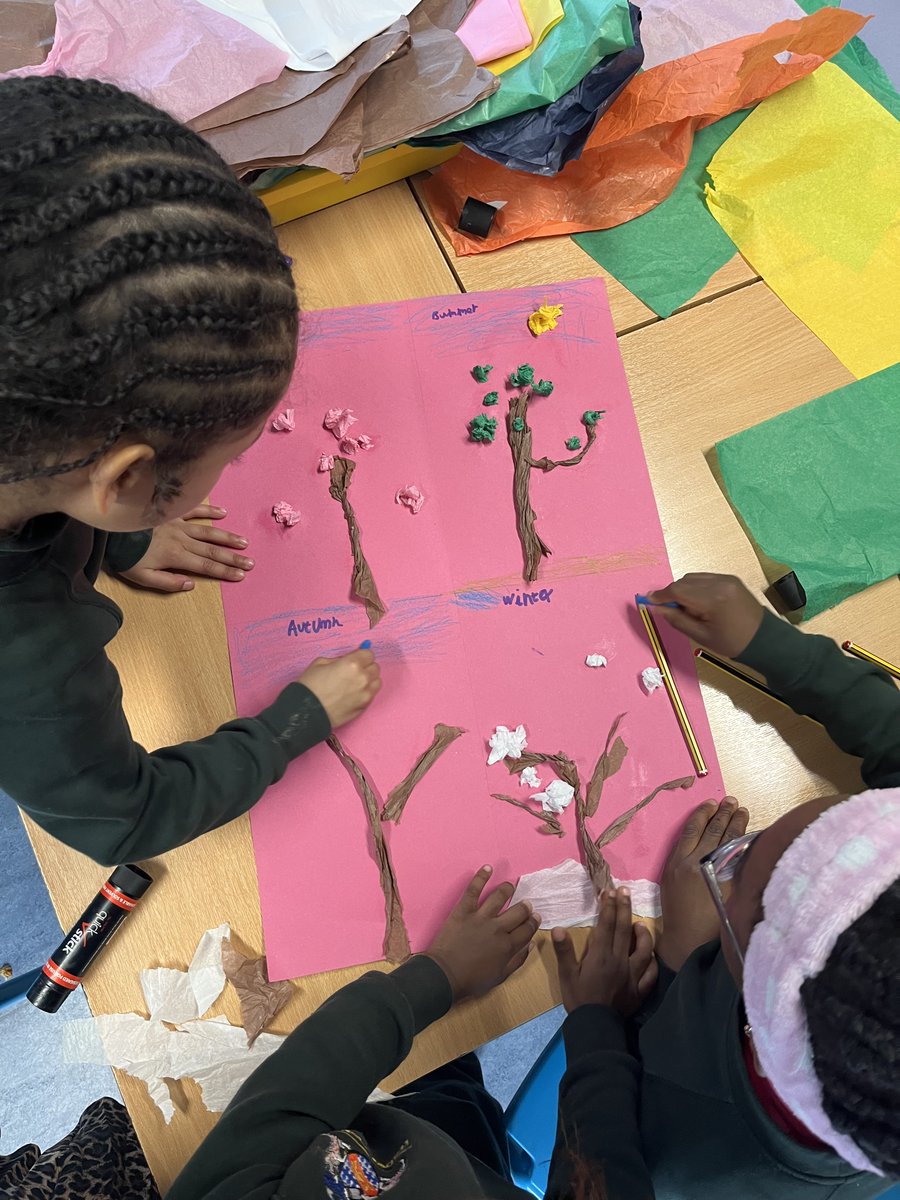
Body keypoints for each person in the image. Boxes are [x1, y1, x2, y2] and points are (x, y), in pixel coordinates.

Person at [0, 76, 380, 864]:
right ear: (121, 481)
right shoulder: (29, 664)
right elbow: (126, 820)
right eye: (232, 454)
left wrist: (124, 535)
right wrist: (292, 723)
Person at [636, 572, 900, 1198]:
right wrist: (769, 643)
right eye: (847, 814)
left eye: (737, 874)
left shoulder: (692, 1158)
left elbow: (632, 1072)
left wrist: (676, 961)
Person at [167, 866, 656, 1200]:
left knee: (451, 1076)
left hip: (394, 1127)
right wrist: (597, 1024)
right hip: (467, 1149)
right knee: (460, 1088)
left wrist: (441, 974)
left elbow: (290, 1094)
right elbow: (604, 1176)